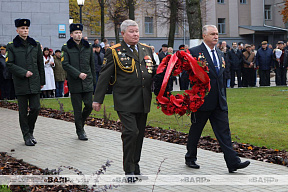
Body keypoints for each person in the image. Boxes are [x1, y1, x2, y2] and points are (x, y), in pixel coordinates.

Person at [93, 19, 156, 180]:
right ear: (122, 34)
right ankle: (129, 169)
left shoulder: (147, 49)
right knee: (131, 132)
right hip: (125, 101)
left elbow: (154, 73)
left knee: (139, 134)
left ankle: (136, 166)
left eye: (137, 31)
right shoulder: (114, 51)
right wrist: (97, 99)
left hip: (143, 100)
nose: (135, 34)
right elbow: (104, 76)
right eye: (131, 32)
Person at [186, 25, 250, 173]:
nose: (216, 36)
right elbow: (189, 76)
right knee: (196, 130)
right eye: (212, 34)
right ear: (204, 36)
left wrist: (224, 99)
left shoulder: (221, 54)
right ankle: (190, 157)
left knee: (224, 132)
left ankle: (233, 162)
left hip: (219, 102)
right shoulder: (194, 53)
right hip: (202, 101)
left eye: (217, 34)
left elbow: (221, 78)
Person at [6, 18, 45, 146]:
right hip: (21, 83)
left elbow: (40, 64)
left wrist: (42, 81)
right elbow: (9, 64)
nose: (25, 30)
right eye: (22, 28)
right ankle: (26, 135)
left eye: (27, 28)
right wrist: (23, 72)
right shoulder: (11, 46)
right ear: (17, 30)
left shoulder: (35, 44)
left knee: (36, 107)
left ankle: (30, 131)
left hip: (34, 81)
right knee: (23, 111)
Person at [61, 23, 96, 141]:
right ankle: (80, 131)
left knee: (89, 106)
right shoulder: (66, 47)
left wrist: (94, 82)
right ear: (71, 35)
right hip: (75, 82)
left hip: (87, 81)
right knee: (77, 108)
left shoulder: (88, 46)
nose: (78, 35)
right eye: (76, 33)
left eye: (80, 33)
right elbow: (65, 64)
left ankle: (80, 123)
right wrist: (78, 74)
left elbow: (92, 64)